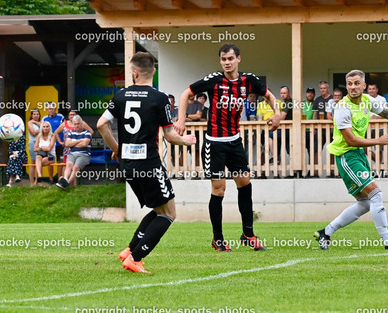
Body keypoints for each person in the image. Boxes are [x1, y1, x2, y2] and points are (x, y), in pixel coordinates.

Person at [175, 43, 281, 252]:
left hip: (235, 141)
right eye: (224, 59)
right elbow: (185, 94)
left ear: (238, 59)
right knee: (219, 189)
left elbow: (269, 95)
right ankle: (218, 239)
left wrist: (276, 113)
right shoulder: (214, 80)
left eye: (230, 59)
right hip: (214, 144)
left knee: (244, 183)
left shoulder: (248, 80)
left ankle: (248, 234)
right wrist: (181, 120)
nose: (227, 63)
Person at [98, 52, 196, 273]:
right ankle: (136, 257)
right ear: (153, 71)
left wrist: (117, 150)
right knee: (169, 214)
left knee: (158, 209)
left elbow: (102, 124)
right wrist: (186, 140)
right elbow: (170, 136)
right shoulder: (159, 98)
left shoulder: (120, 96)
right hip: (149, 164)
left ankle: (130, 250)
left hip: (128, 166)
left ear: (134, 73)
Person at [314, 70, 388, 251]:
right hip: (346, 156)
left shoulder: (367, 100)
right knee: (376, 194)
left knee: (365, 203)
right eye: (349, 84)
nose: (352, 87)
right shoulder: (342, 108)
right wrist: (378, 141)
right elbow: (350, 140)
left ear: (364, 86)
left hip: (358, 154)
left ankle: (325, 232)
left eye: (356, 83)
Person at [57, 115, 92, 189]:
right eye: (75, 124)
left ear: (81, 123)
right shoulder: (71, 133)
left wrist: (73, 144)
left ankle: (67, 184)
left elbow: (84, 144)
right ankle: (65, 179)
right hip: (72, 154)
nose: (76, 126)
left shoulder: (87, 132)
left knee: (75, 168)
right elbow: (67, 144)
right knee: (69, 164)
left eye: (78, 124)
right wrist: (79, 141)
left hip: (84, 155)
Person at [42, 102, 64, 179]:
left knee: (60, 161)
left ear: (55, 109)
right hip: (49, 144)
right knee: (50, 162)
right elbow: (42, 130)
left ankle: (59, 178)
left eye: (53, 109)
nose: (51, 110)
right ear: (47, 110)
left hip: (59, 143)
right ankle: (51, 179)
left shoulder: (60, 117)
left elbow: (64, 128)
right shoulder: (44, 118)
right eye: (49, 109)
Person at [33, 121, 56, 185]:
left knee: (38, 163)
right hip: (41, 155)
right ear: (42, 128)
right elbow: (34, 149)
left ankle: (37, 182)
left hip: (50, 156)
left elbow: (49, 149)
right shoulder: (39, 136)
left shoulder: (52, 136)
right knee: (37, 157)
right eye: (44, 127)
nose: (45, 128)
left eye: (47, 127)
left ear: (49, 128)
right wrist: (42, 148)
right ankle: (40, 176)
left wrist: (40, 148)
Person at [27, 108, 41, 185]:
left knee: (38, 162)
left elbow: (46, 129)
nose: (36, 115)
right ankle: (32, 182)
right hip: (32, 143)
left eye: (37, 114)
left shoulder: (41, 122)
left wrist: (38, 124)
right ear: (32, 115)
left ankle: (37, 181)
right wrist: (41, 129)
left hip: (40, 144)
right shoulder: (30, 123)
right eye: (34, 114)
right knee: (33, 162)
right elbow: (33, 132)